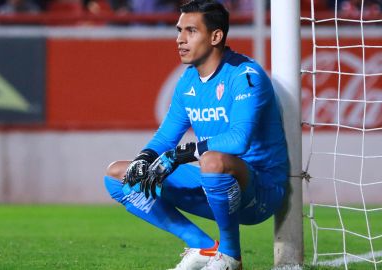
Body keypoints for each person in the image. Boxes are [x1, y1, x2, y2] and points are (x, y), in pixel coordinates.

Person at [104, 0, 289, 269]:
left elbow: (239, 139)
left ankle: (230, 256)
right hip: (213, 182)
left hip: (260, 191)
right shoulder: (188, 81)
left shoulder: (246, 75)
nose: (180, 39)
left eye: (191, 31)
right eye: (179, 30)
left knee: (212, 160)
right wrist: (144, 158)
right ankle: (203, 247)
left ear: (216, 36)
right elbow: (166, 137)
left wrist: (180, 155)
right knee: (119, 175)